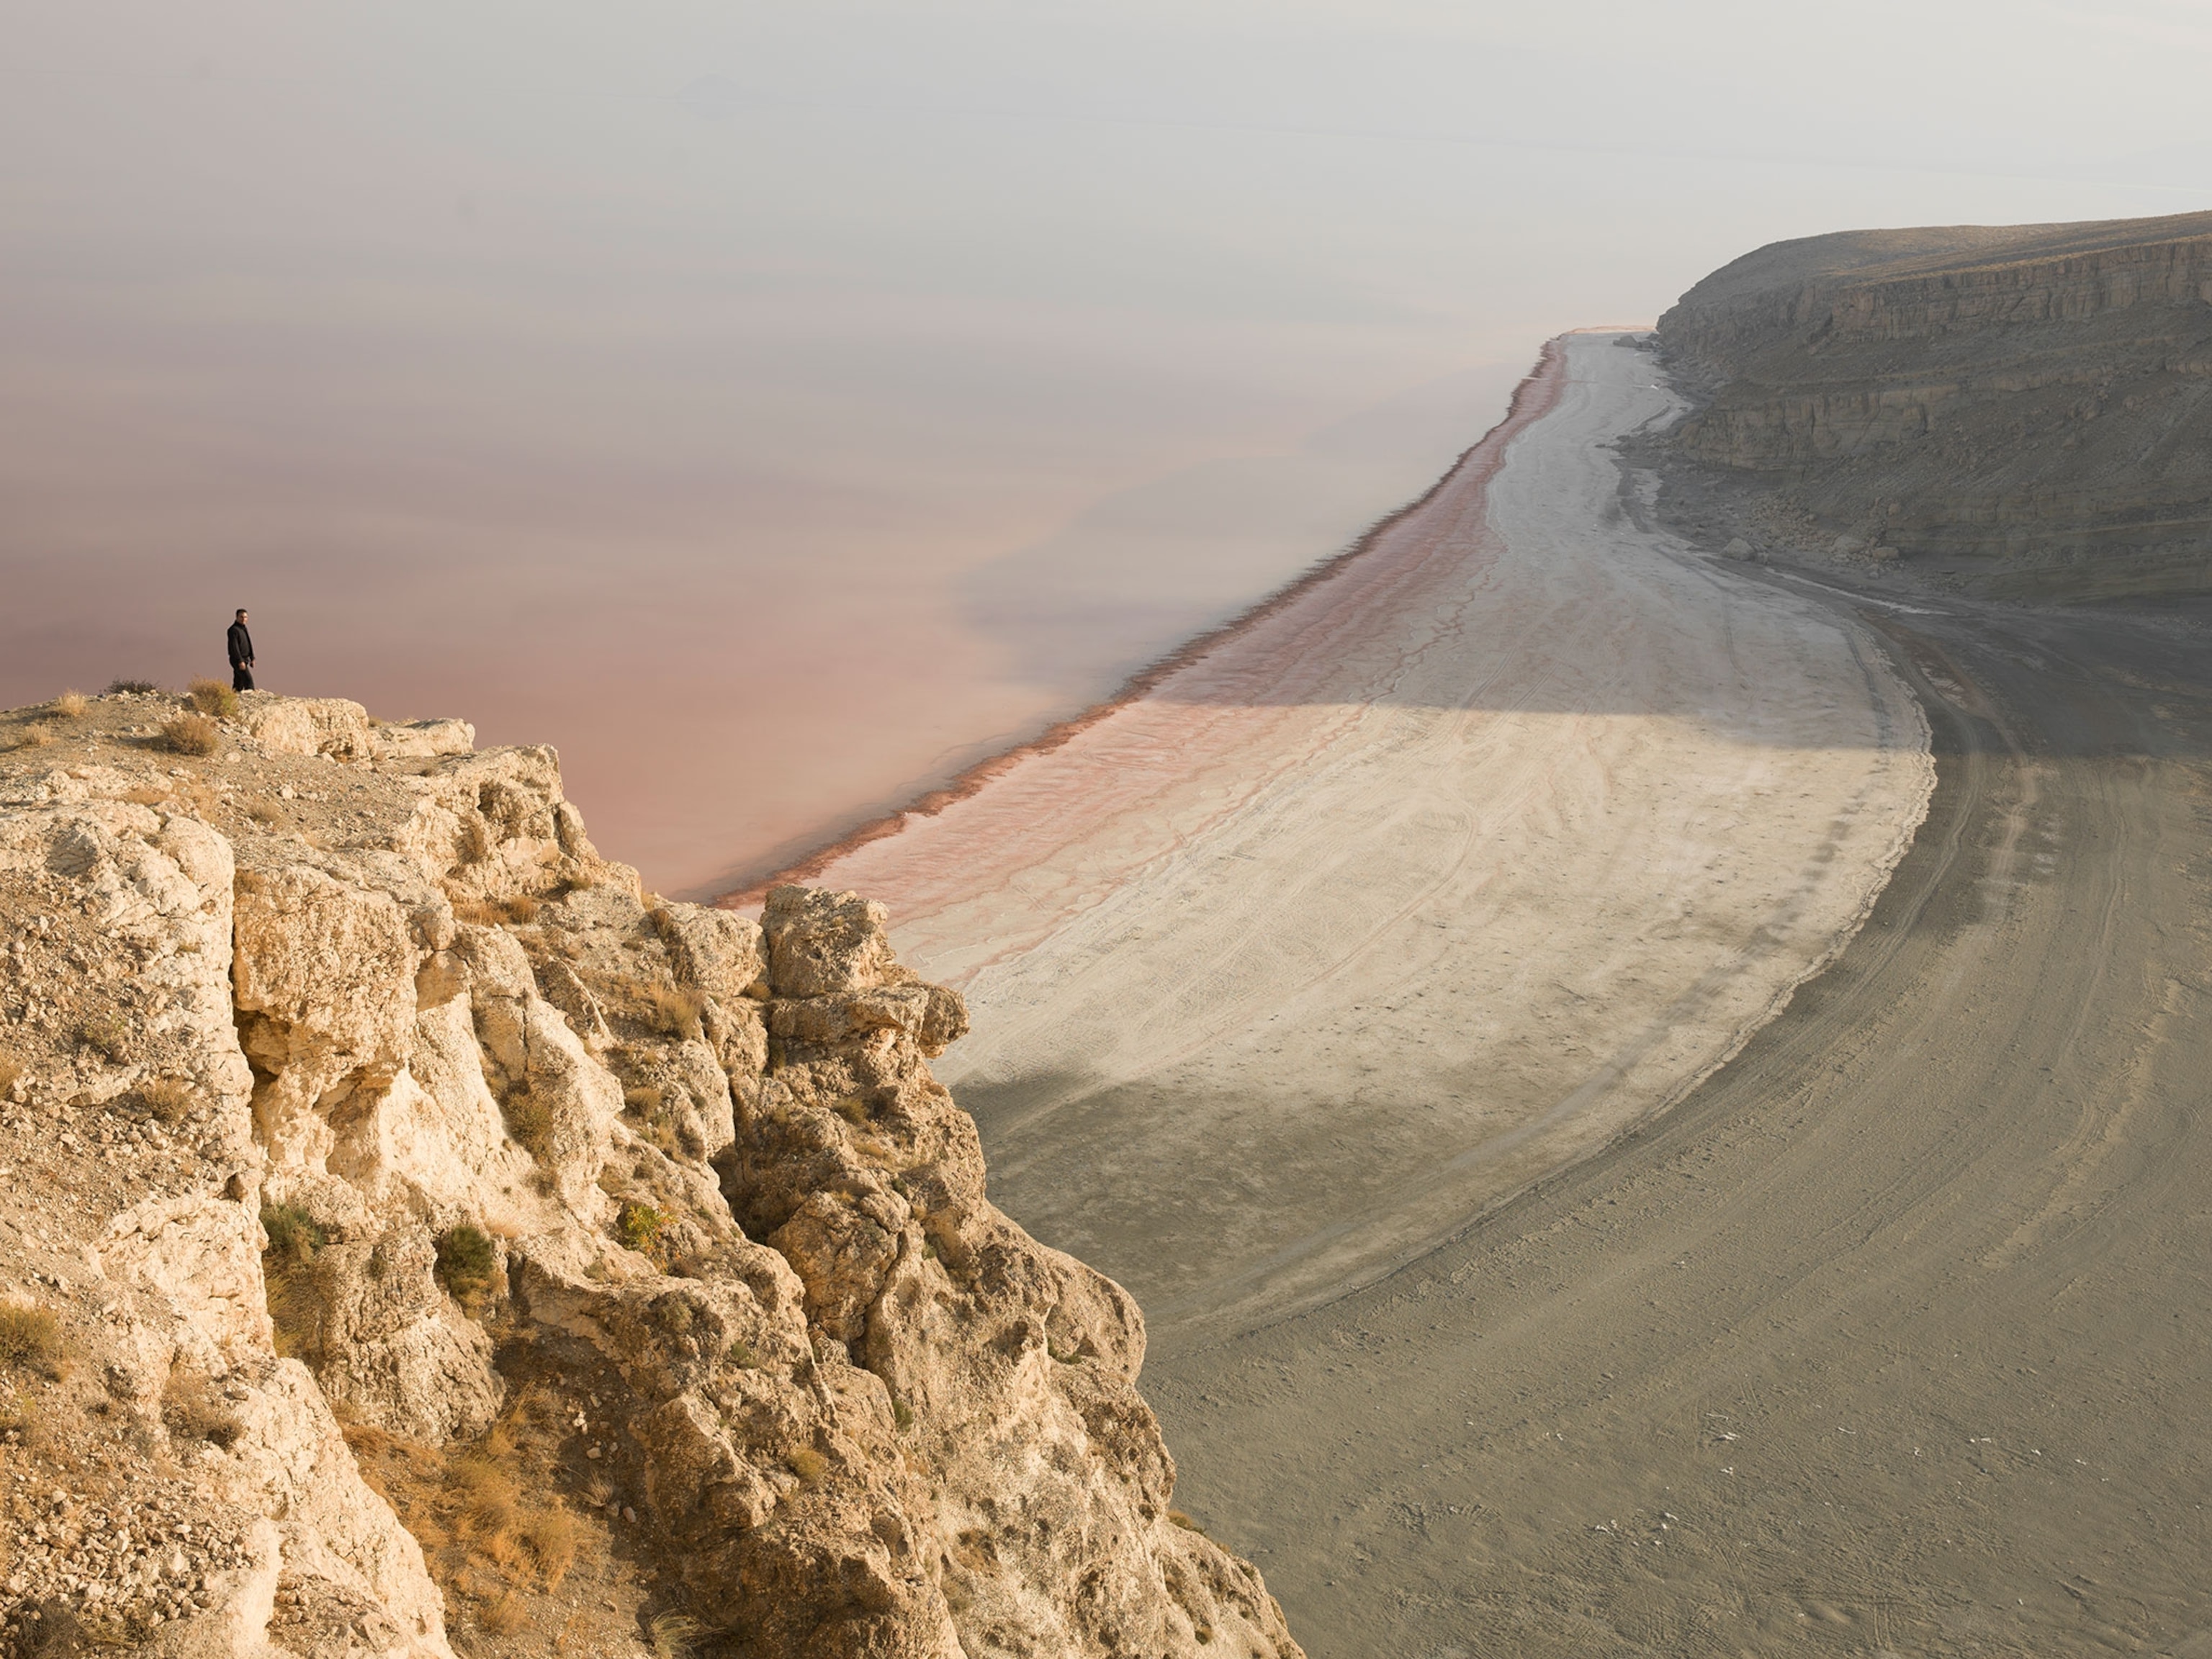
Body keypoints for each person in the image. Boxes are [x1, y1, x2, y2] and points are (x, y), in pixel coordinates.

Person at [227, 609, 256, 692]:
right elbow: (234, 647)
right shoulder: (233, 630)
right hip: (237, 660)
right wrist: (240, 661)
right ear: (237, 617)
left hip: (245, 659)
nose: (243, 619)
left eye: (245, 617)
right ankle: (250, 701)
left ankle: (233, 700)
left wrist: (252, 657)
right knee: (248, 681)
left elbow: (249, 643)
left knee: (238, 683)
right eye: (241, 617)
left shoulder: (244, 629)